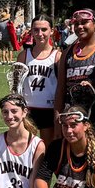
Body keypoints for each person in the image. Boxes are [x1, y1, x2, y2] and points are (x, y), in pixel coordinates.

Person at [54, 8, 95, 128]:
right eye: (76, 24)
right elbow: (60, 88)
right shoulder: (67, 52)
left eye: (84, 22)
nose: (79, 27)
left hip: (94, 117)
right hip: (70, 119)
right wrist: (57, 118)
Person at [17, 14, 60, 145]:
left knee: (47, 149)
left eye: (44, 29)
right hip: (27, 109)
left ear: (52, 31)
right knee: (28, 147)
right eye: (36, 30)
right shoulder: (24, 55)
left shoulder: (57, 56)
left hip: (49, 109)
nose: (39, 33)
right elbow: (16, 85)